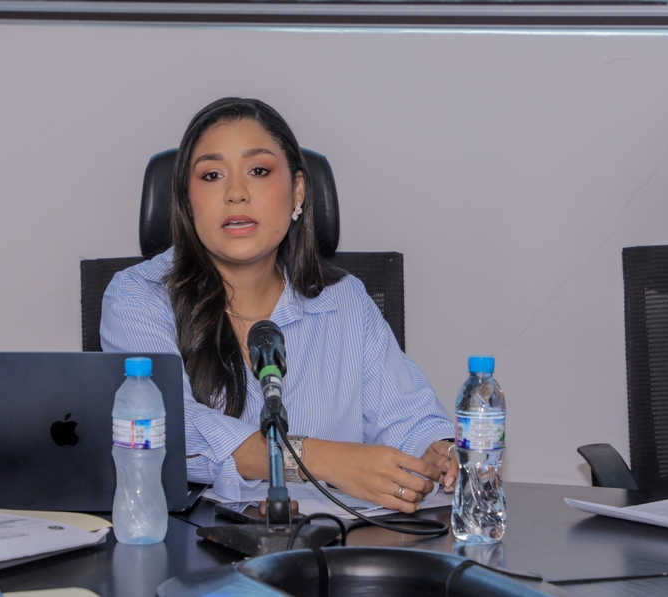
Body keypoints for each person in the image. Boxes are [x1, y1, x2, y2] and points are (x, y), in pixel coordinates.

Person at [101, 97, 456, 513]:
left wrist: (439, 452)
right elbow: (165, 430)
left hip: (339, 542)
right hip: (194, 543)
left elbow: (409, 420)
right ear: (187, 200)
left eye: (259, 171)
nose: (236, 194)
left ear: (298, 190)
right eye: (212, 175)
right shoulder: (138, 296)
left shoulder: (345, 300)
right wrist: (319, 459)